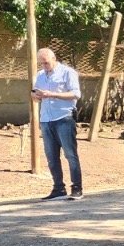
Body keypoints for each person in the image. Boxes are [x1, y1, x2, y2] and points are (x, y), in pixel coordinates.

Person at [32, 48, 84, 200]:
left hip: (64, 118)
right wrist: (35, 95)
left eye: (46, 63)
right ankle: (58, 188)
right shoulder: (40, 75)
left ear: (54, 58)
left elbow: (76, 94)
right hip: (46, 119)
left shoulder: (67, 72)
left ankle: (76, 187)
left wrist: (52, 94)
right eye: (41, 63)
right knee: (51, 156)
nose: (44, 66)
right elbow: (34, 94)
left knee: (70, 154)